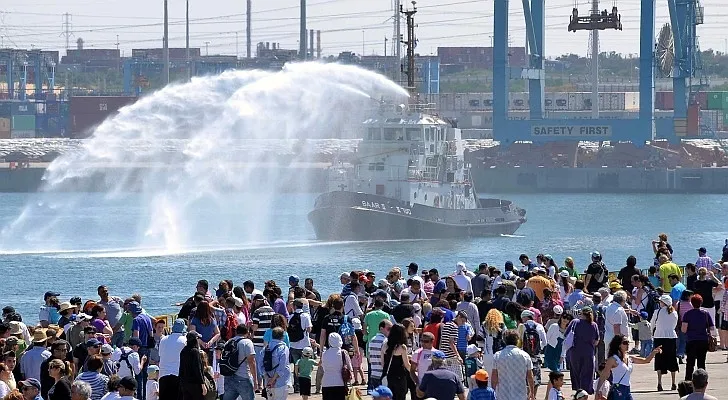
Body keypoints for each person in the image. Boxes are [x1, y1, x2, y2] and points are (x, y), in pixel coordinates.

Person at [595, 334, 661, 400]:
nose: (627, 345)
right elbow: (604, 376)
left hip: (627, 389)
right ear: (619, 345)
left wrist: (653, 353)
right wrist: (597, 391)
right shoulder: (613, 359)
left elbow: (646, 360)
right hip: (618, 389)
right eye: (625, 343)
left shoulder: (629, 358)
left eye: (628, 342)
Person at [564, 307, 599, 394]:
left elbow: (566, 334)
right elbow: (596, 341)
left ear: (581, 313)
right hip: (588, 352)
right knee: (587, 373)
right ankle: (586, 391)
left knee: (576, 372)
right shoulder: (593, 325)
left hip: (575, 351)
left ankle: (578, 391)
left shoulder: (575, 322)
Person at [492, 330, 535, 400]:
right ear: (517, 340)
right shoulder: (525, 355)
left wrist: (493, 392)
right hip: (520, 394)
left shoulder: (497, 356)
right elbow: (530, 376)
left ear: (504, 340)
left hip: (503, 394)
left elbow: (494, 377)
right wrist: (532, 392)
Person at [681, 294, 715, 381]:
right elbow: (712, 328)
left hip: (691, 340)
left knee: (690, 363)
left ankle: (688, 381)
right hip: (703, 340)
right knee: (701, 362)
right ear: (701, 303)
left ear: (692, 303)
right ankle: (702, 380)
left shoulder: (687, 314)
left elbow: (684, 329)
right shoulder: (706, 314)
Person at [650, 294, 679, 391]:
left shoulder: (657, 312)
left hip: (659, 336)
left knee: (659, 359)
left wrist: (652, 333)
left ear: (663, 303)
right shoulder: (674, 312)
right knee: (672, 358)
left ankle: (659, 383)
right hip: (671, 337)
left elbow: (652, 324)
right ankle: (673, 383)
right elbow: (675, 324)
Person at [222, 325, 257, 400]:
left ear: (236, 332)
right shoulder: (247, 343)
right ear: (247, 332)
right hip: (243, 377)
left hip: (229, 376)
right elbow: (252, 362)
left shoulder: (229, 342)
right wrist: (255, 380)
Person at [256, 327, 289, 400]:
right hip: (281, 381)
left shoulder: (265, 348)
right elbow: (282, 366)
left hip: (268, 381)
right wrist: (273, 379)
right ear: (283, 336)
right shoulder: (284, 348)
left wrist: (266, 377)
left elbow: (260, 364)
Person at [158, 319, 187, 400]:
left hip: (163, 374)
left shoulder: (163, 339)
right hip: (177, 374)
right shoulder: (184, 340)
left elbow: (160, 354)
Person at [381, 324, 410, 400]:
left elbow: (383, 363)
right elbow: (406, 365)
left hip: (388, 376)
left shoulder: (384, 345)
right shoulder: (402, 347)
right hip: (399, 376)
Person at [320, 333, 351, 400]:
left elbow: (324, 368)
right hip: (340, 383)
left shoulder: (324, 354)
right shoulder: (343, 353)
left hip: (326, 383)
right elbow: (349, 368)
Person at [178, 332, 206, 400]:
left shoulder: (183, 351)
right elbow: (198, 369)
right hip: (195, 384)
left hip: (185, 384)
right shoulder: (195, 352)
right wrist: (203, 384)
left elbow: (181, 368)